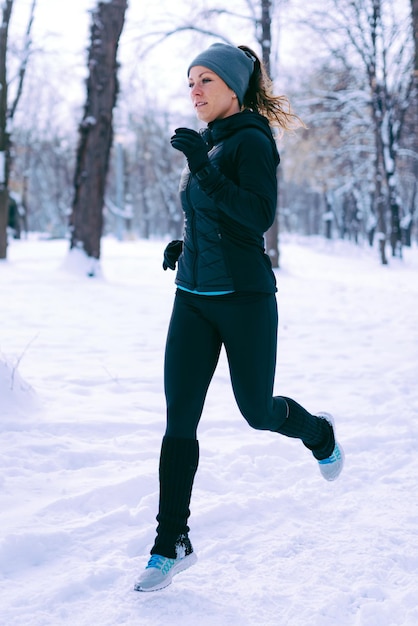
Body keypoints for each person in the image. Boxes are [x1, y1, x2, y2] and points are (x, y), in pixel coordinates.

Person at [134, 42, 344, 593]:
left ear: (233, 88)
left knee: (256, 410)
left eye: (205, 80)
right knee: (180, 417)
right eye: (190, 82)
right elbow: (215, 215)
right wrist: (187, 246)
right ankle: (170, 541)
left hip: (245, 300)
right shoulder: (210, 140)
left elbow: (257, 216)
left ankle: (318, 432)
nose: (195, 90)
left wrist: (201, 167)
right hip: (193, 296)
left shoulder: (251, 141)